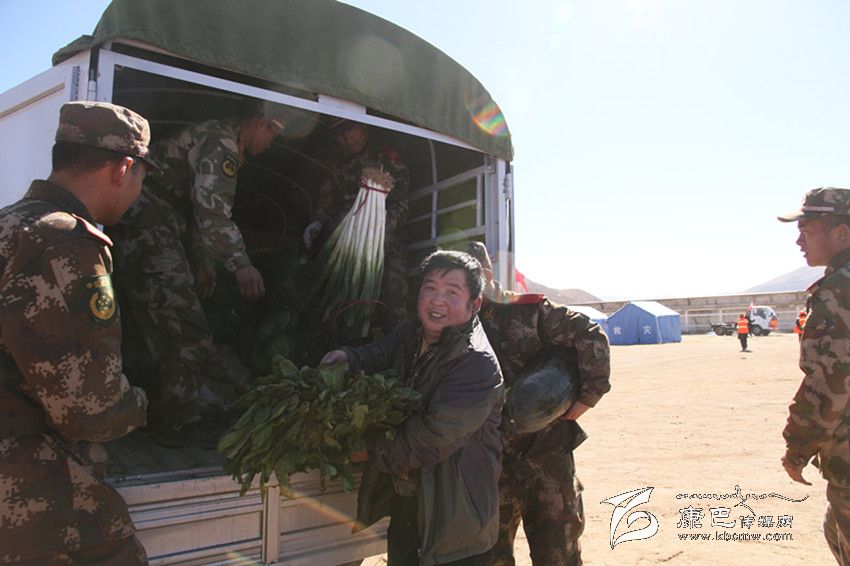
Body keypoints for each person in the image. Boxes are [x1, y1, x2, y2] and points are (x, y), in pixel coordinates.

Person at [0, 101, 152, 564]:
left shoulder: (10, 223)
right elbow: (90, 408)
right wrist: (142, 406)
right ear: (123, 168)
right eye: (142, 177)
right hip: (28, 491)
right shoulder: (66, 241)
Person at [108, 100, 287, 431]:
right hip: (148, 218)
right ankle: (180, 417)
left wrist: (202, 257)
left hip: (155, 219)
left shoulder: (221, 137)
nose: (270, 144)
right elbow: (212, 211)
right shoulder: (224, 143)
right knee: (179, 319)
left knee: (157, 317)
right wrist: (241, 264)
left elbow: (195, 207)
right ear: (260, 123)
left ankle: (164, 409)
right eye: (273, 135)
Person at [320, 250, 504, 565]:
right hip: (408, 506)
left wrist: (369, 450)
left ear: (475, 304)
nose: (437, 300)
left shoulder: (477, 363)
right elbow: (380, 353)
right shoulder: (411, 333)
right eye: (430, 288)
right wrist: (349, 357)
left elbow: (433, 438)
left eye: (452, 292)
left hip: (455, 522)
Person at [466, 241, 611, 566]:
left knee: (557, 554)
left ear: (487, 275)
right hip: (493, 467)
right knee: (491, 557)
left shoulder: (527, 311)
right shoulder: (457, 325)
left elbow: (590, 335)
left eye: (471, 278)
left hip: (545, 459)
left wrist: (588, 396)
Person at [778, 187, 850, 565]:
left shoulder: (838, 291)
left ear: (841, 233)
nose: (799, 240)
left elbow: (827, 386)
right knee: (833, 530)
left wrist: (798, 447)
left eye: (808, 229)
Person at [303, 120, 410, 332]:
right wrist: (317, 221)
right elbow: (327, 201)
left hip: (385, 240)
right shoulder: (336, 162)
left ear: (363, 126)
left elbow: (401, 206)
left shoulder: (389, 159)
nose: (346, 139)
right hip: (343, 238)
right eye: (339, 134)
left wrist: (375, 232)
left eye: (348, 130)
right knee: (331, 292)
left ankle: (400, 342)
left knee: (395, 297)